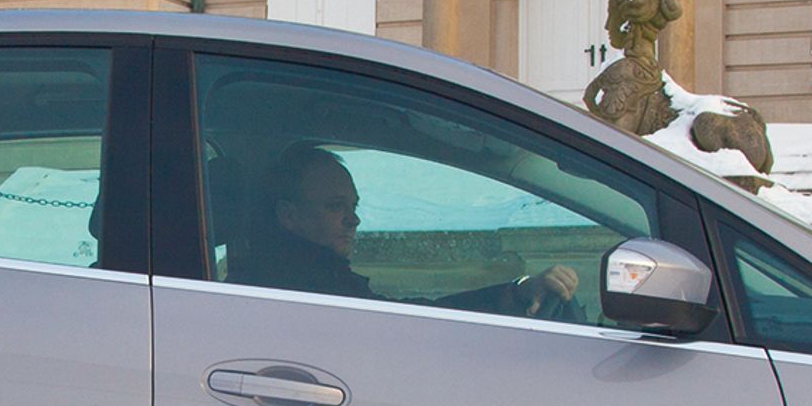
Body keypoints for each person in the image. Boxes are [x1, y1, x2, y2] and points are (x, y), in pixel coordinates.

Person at [229, 144, 580, 316]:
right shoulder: (295, 288)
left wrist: (515, 293)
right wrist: (512, 296)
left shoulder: (305, 277)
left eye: (353, 207)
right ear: (288, 216)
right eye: (335, 207)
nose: (354, 220)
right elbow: (414, 327)